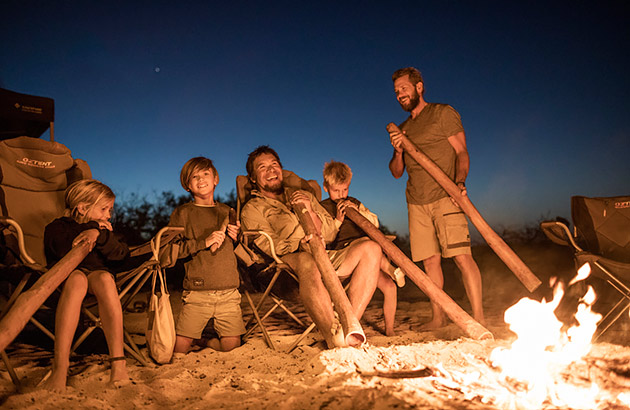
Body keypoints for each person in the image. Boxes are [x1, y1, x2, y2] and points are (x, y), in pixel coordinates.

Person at [240, 146, 381, 348]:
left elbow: (331, 233)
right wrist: (299, 244)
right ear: (253, 178)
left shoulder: (303, 195)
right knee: (307, 260)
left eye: (274, 165)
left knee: (371, 248)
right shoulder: (253, 209)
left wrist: (309, 210)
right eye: (262, 168)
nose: (271, 171)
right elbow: (267, 246)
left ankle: (348, 327)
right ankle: (333, 338)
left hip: (323, 256)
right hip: (285, 270)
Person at [387, 67, 485, 330]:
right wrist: (398, 151)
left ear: (419, 87)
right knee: (430, 262)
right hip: (416, 202)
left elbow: (462, 152)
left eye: (404, 88)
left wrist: (460, 183)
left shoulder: (443, 113)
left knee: (462, 257)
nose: (400, 95)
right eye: (396, 91)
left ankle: (479, 318)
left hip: (446, 196)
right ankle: (438, 317)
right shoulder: (404, 129)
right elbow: (397, 173)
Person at [43, 179, 130, 391]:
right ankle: (60, 366)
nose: (108, 215)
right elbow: (62, 249)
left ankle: (118, 363)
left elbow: (121, 256)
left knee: (104, 279)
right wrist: (92, 228)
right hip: (64, 282)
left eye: (110, 210)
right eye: (104, 209)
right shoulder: (56, 228)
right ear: (82, 208)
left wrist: (100, 235)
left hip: (99, 280)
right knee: (77, 279)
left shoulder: (104, 231)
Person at [169, 157, 244, 354]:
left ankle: (205, 344)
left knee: (231, 348)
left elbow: (239, 248)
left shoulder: (228, 212)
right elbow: (172, 251)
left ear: (216, 178)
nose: (201, 179)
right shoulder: (183, 213)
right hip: (197, 293)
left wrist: (237, 238)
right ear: (187, 185)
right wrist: (204, 242)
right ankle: (194, 341)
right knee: (179, 349)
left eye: (205, 174)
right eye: (194, 176)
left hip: (229, 291)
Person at [320, 160, 402, 336]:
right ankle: (389, 267)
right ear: (326, 187)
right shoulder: (323, 207)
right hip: (346, 251)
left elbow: (374, 222)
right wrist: (338, 220)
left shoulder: (354, 202)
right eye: (336, 191)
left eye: (345, 190)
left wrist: (357, 210)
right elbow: (326, 237)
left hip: (368, 255)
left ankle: (390, 330)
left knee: (390, 287)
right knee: (369, 245)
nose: (341, 195)